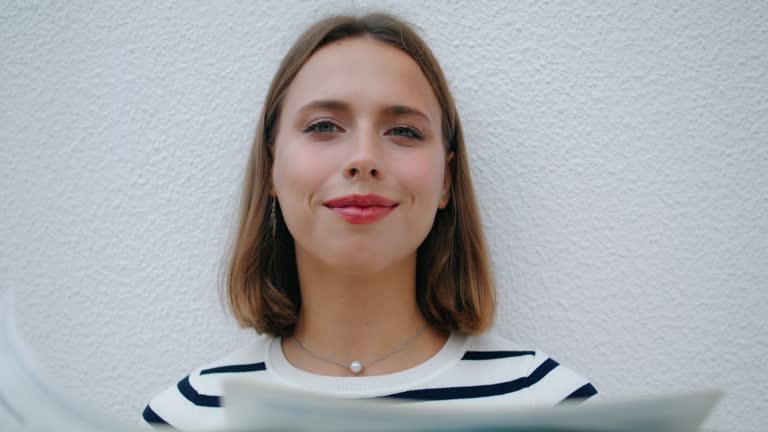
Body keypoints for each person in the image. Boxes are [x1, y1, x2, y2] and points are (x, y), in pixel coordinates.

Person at [142, 12, 598, 431]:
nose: (363, 158)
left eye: (403, 131)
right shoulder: (185, 417)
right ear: (271, 169)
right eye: (324, 125)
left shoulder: (556, 408)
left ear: (446, 181)